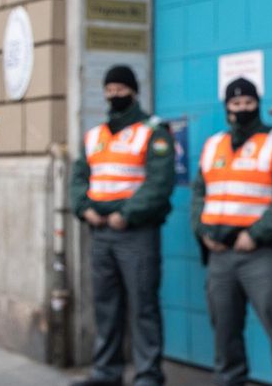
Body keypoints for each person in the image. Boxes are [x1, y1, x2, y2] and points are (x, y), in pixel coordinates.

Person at [192, 78, 272, 386]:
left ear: (258, 104)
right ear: (226, 107)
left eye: (248, 103)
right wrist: (203, 231)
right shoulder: (213, 144)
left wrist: (255, 234)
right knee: (224, 333)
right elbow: (199, 194)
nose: (241, 109)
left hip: (261, 253)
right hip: (219, 255)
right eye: (235, 103)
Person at [70, 65, 175, 386]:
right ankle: (106, 372)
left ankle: (148, 375)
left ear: (134, 91)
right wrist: (84, 209)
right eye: (109, 89)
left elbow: (159, 183)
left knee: (143, 305)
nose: (114, 94)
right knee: (106, 306)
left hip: (135, 233)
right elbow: (79, 178)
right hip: (100, 232)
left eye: (120, 88)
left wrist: (126, 214)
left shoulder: (153, 131)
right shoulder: (94, 135)